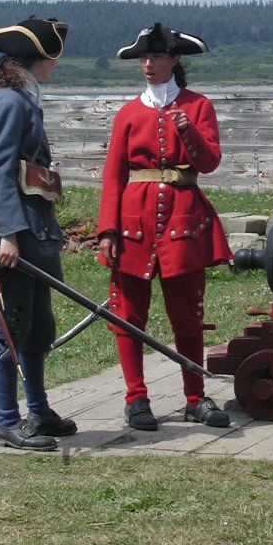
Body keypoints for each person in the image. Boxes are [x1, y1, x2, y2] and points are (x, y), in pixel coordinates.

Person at [96, 22, 232, 431]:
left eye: (155, 57)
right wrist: (107, 231)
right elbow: (113, 176)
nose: (148, 65)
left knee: (187, 317)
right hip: (133, 224)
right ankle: (136, 399)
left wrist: (186, 129)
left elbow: (208, 163)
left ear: (175, 59)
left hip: (182, 222)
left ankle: (194, 397)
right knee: (128, 315)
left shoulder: (199, 106)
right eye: (143, 57)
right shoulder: (128, 113)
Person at [0, 16, 78, 451]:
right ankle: (6, 419)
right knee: (11, 326)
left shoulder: (23, 99)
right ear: (41, 58)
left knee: (38, 327)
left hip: (36, 229)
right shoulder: (9, 102)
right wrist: (8, 234)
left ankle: (38, 410)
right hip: (16, 233)